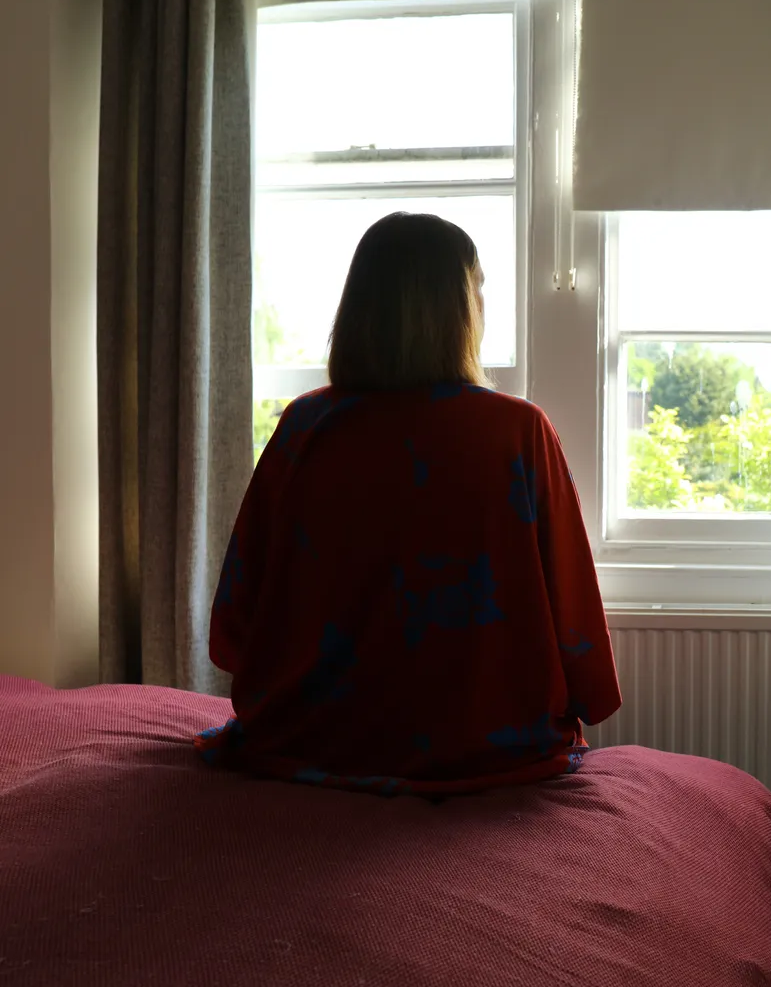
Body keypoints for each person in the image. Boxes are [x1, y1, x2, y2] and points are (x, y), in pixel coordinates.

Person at [196, 212, 621, 796]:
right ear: (458, 309)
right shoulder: (516, 430)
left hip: (313, 736)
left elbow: (241, 608)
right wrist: (584, 693)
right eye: (479, 289)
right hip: (487, 739)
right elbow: (568, 597)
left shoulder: (305, 426)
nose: (485, 306)